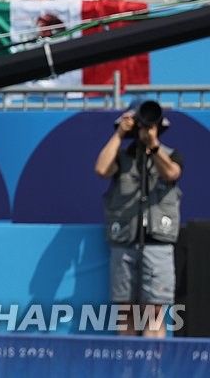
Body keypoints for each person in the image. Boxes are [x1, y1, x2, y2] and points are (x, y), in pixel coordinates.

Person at [94, 100, 182, 338]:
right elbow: (101, 169)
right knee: (127, 312)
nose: (144, 128)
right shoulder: (122, 158)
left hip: (158, 244)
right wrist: (120, 134)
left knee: (154, 312)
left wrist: (153, 146)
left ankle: (154, 373)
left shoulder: (170, 155)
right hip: (124, 242)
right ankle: (127, 372)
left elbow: (172, 173)